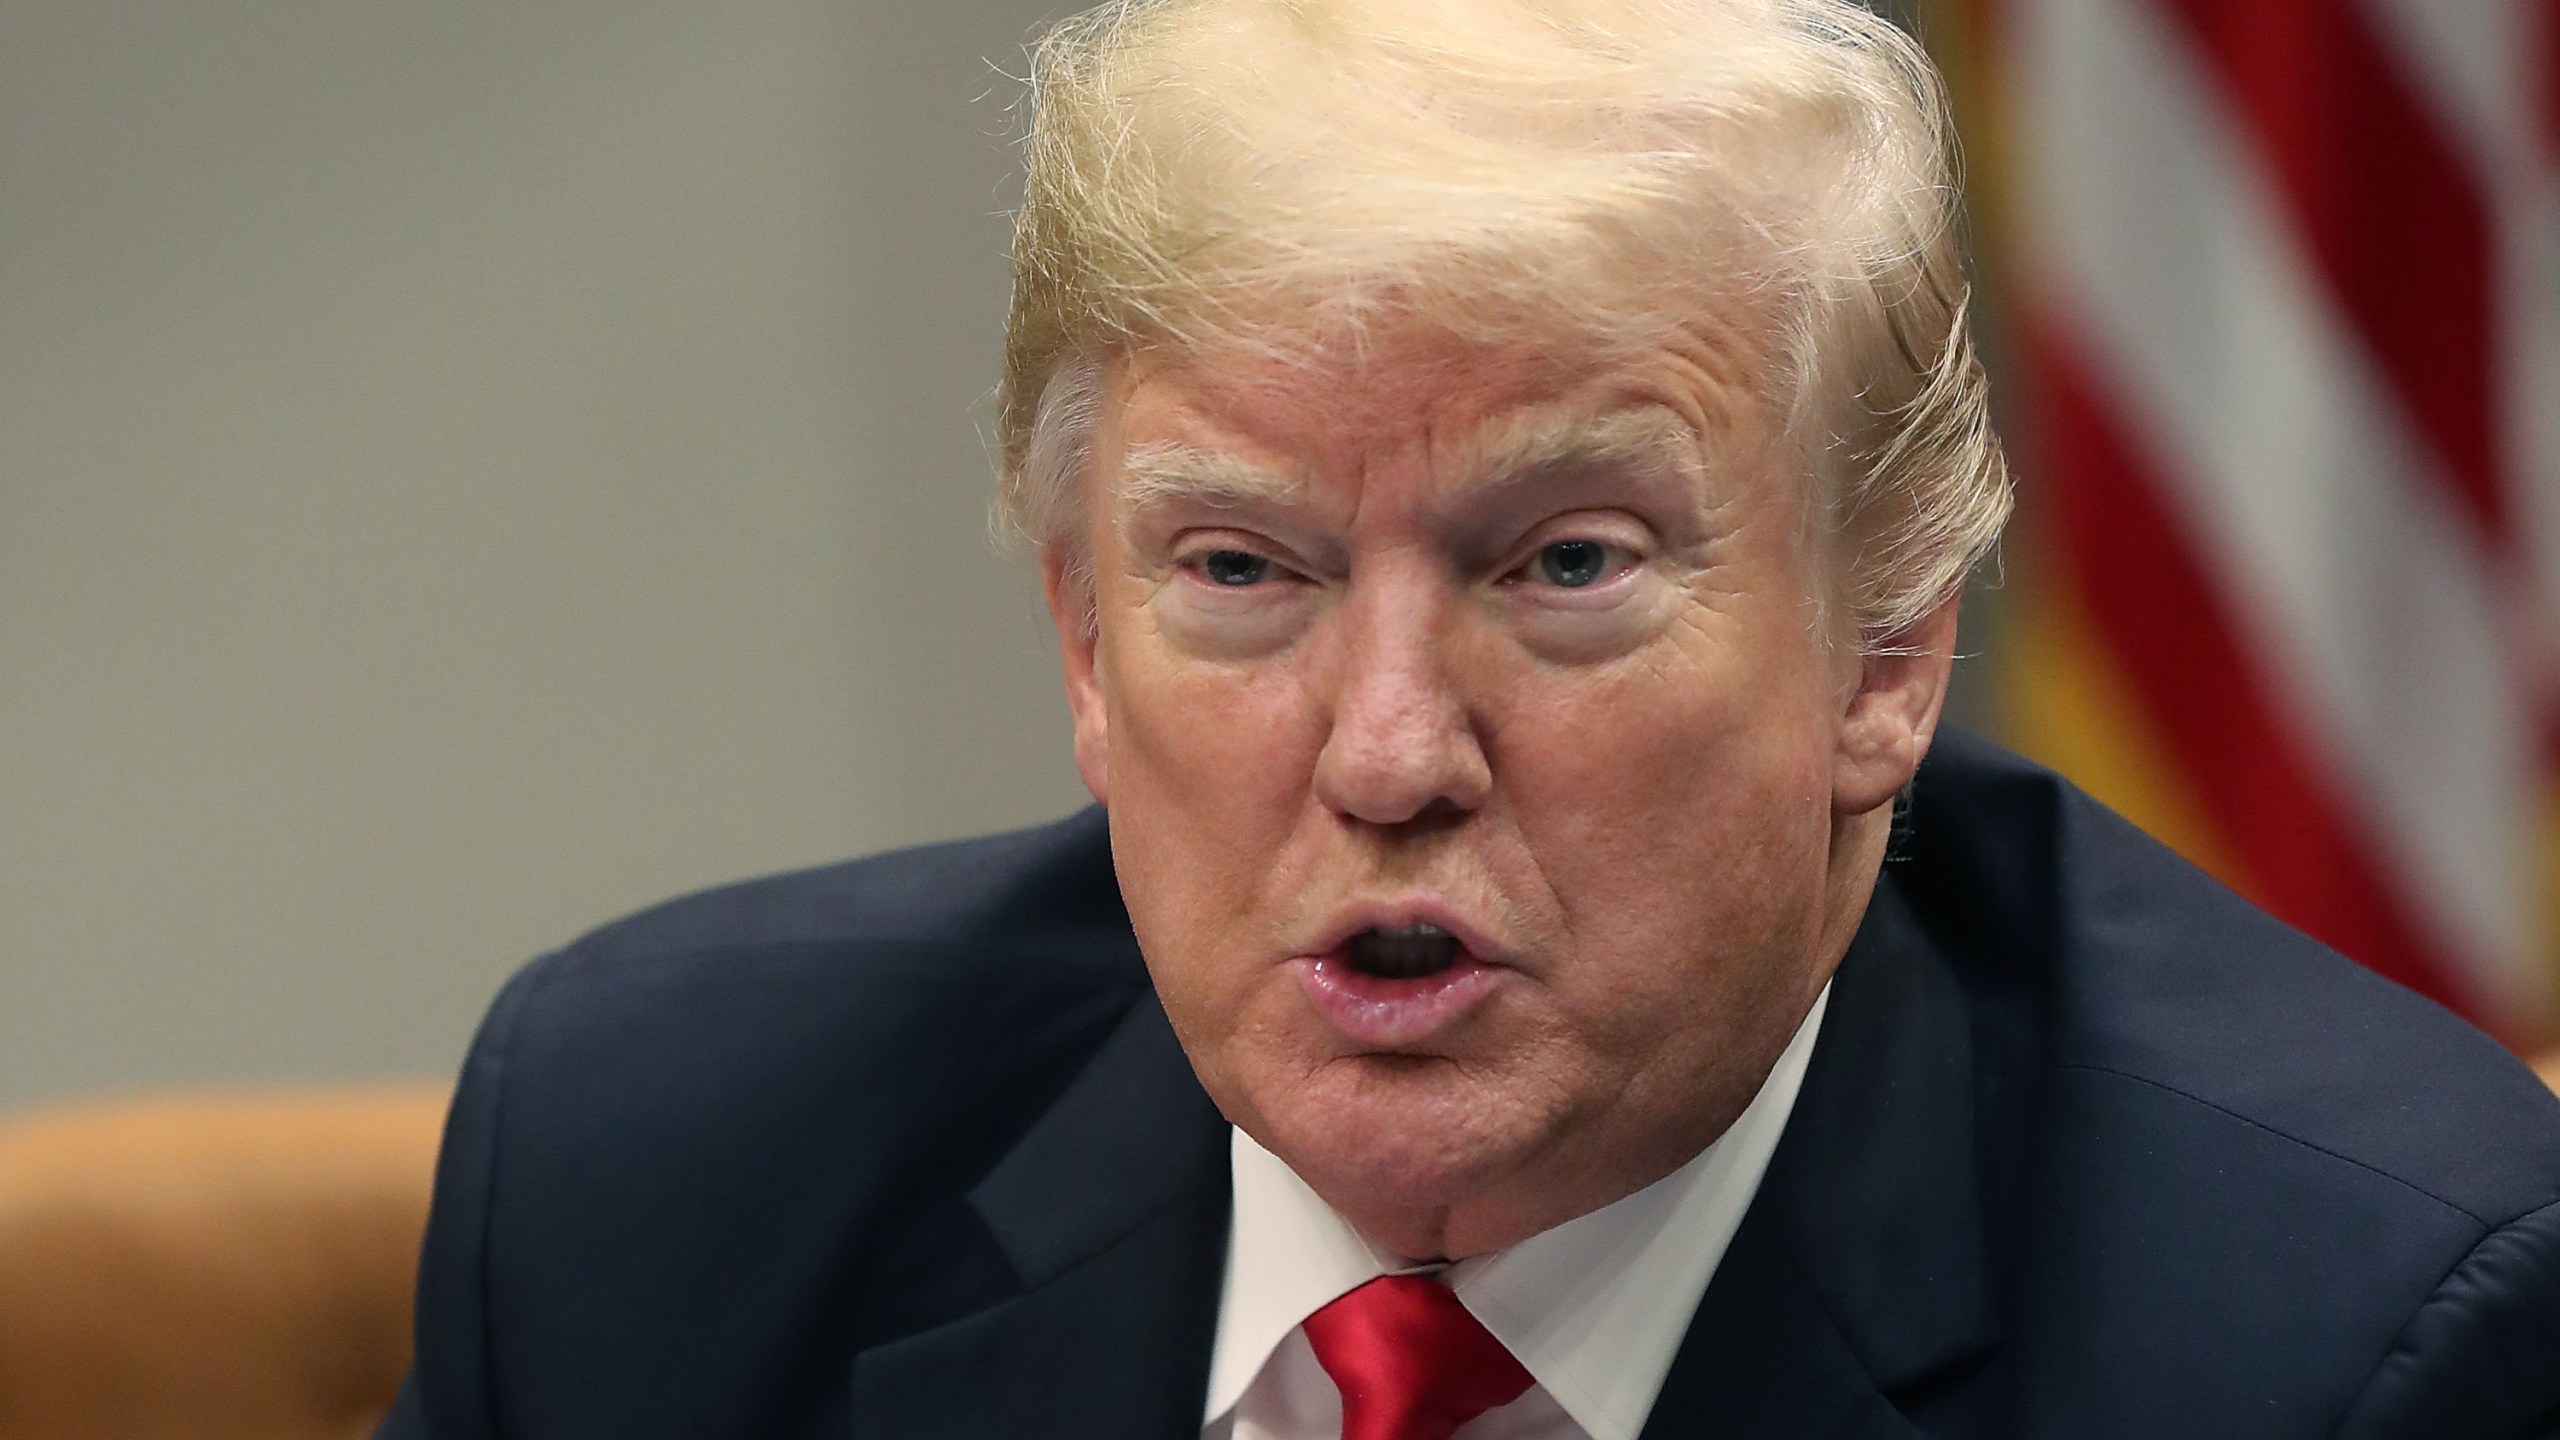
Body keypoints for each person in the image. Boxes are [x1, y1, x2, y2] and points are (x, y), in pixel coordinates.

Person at [378, 0, 2560, 1436]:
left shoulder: (2354, 1343)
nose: (1388, 753)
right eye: (1239, 573)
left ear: (1885, 645)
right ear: (1076, 642)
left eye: (1565, 567)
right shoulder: (648, 1180)